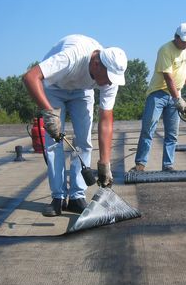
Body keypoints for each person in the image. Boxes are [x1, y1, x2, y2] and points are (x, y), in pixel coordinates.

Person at [23, 34, 127, 217]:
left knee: (84, 142)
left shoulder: (110, 76)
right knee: (54, 143)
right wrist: (49, 113)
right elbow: (30, 77)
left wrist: (105, 162)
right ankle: (58, 198)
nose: (109, 83)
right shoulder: (71, 57)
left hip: (83, 92)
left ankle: (77, 197)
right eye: (108, 77)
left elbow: (105, 120)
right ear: (96, 64)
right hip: (54, 87)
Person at [130, 23, 186, 172]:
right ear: (176, 37)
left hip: (176, 93)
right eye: (184, 40)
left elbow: (185, 68)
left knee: (172, 133)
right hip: (158, 94)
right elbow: (168, 77)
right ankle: (140, 164)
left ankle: (168, 165)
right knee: (148, 129)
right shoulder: (165, 50)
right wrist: (177, 99)